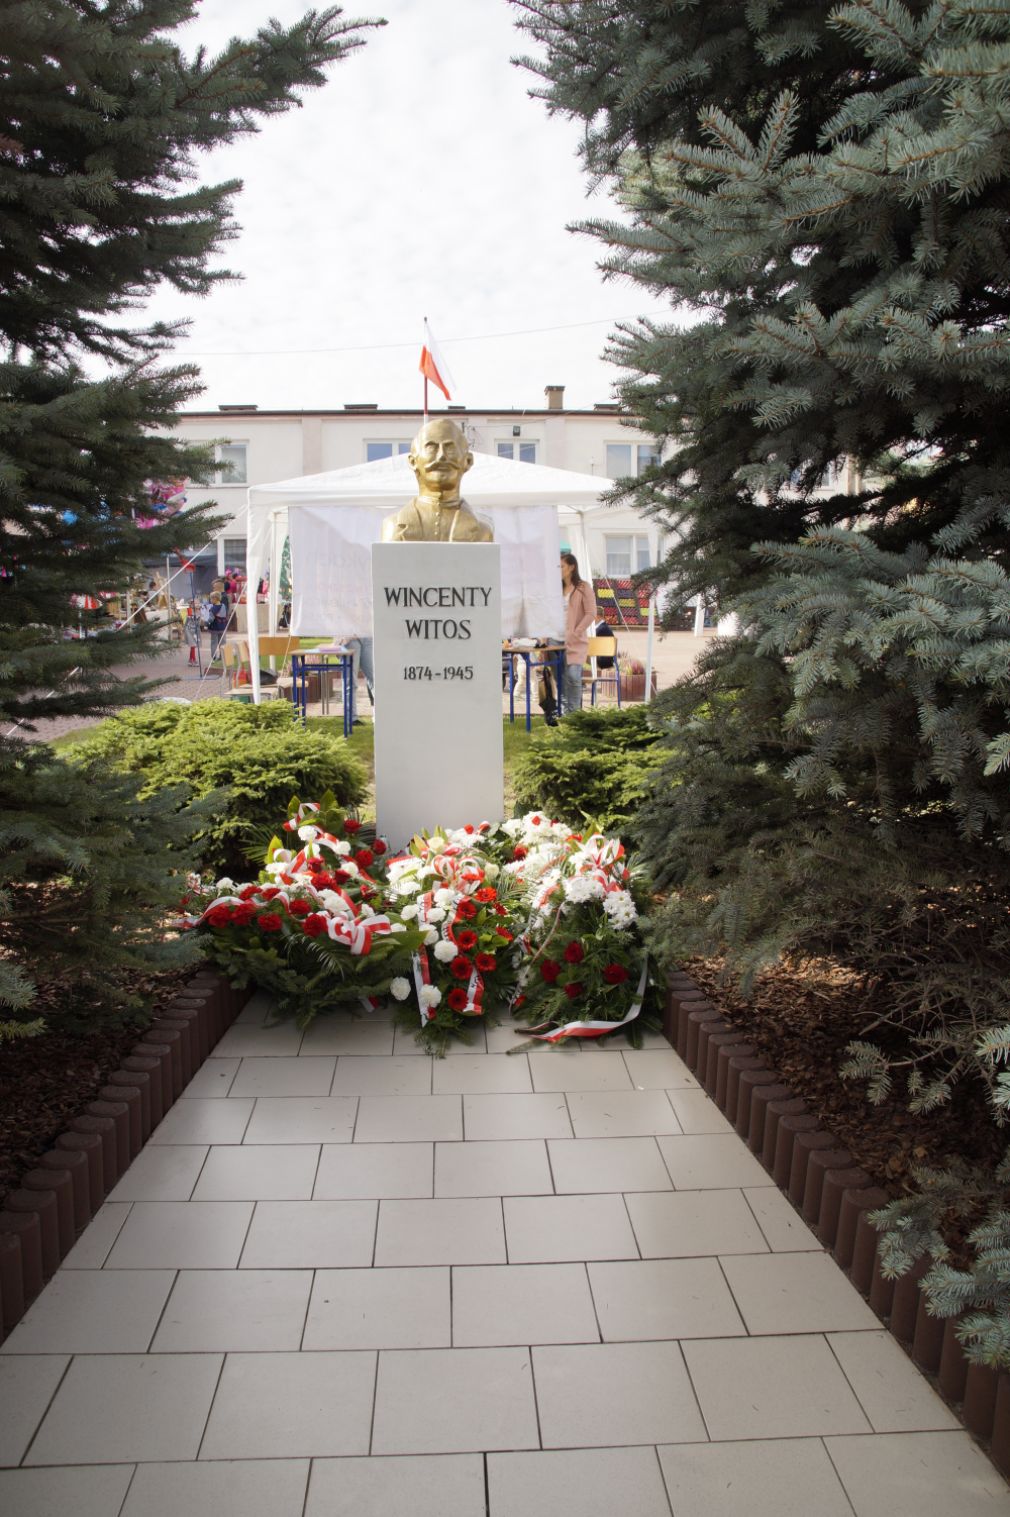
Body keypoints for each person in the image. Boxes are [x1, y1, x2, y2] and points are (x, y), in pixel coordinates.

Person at [380, 418, 493, 542]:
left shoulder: (483, 532)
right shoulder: (393, 526)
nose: (441, 456)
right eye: (431, 448)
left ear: (468, 461)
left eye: (450, 448)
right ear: (412, 462)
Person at [560, 552, 597, 716]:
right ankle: (564, 714)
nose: (559, 570)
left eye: (561, 566)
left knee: (574, 678)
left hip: (576, 641)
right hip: (556, 641)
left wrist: (576, 632)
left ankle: (574, 715)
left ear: (571, 567)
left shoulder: (583, 587)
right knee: (560, 680)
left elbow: (591, 613)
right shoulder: (555, 589)